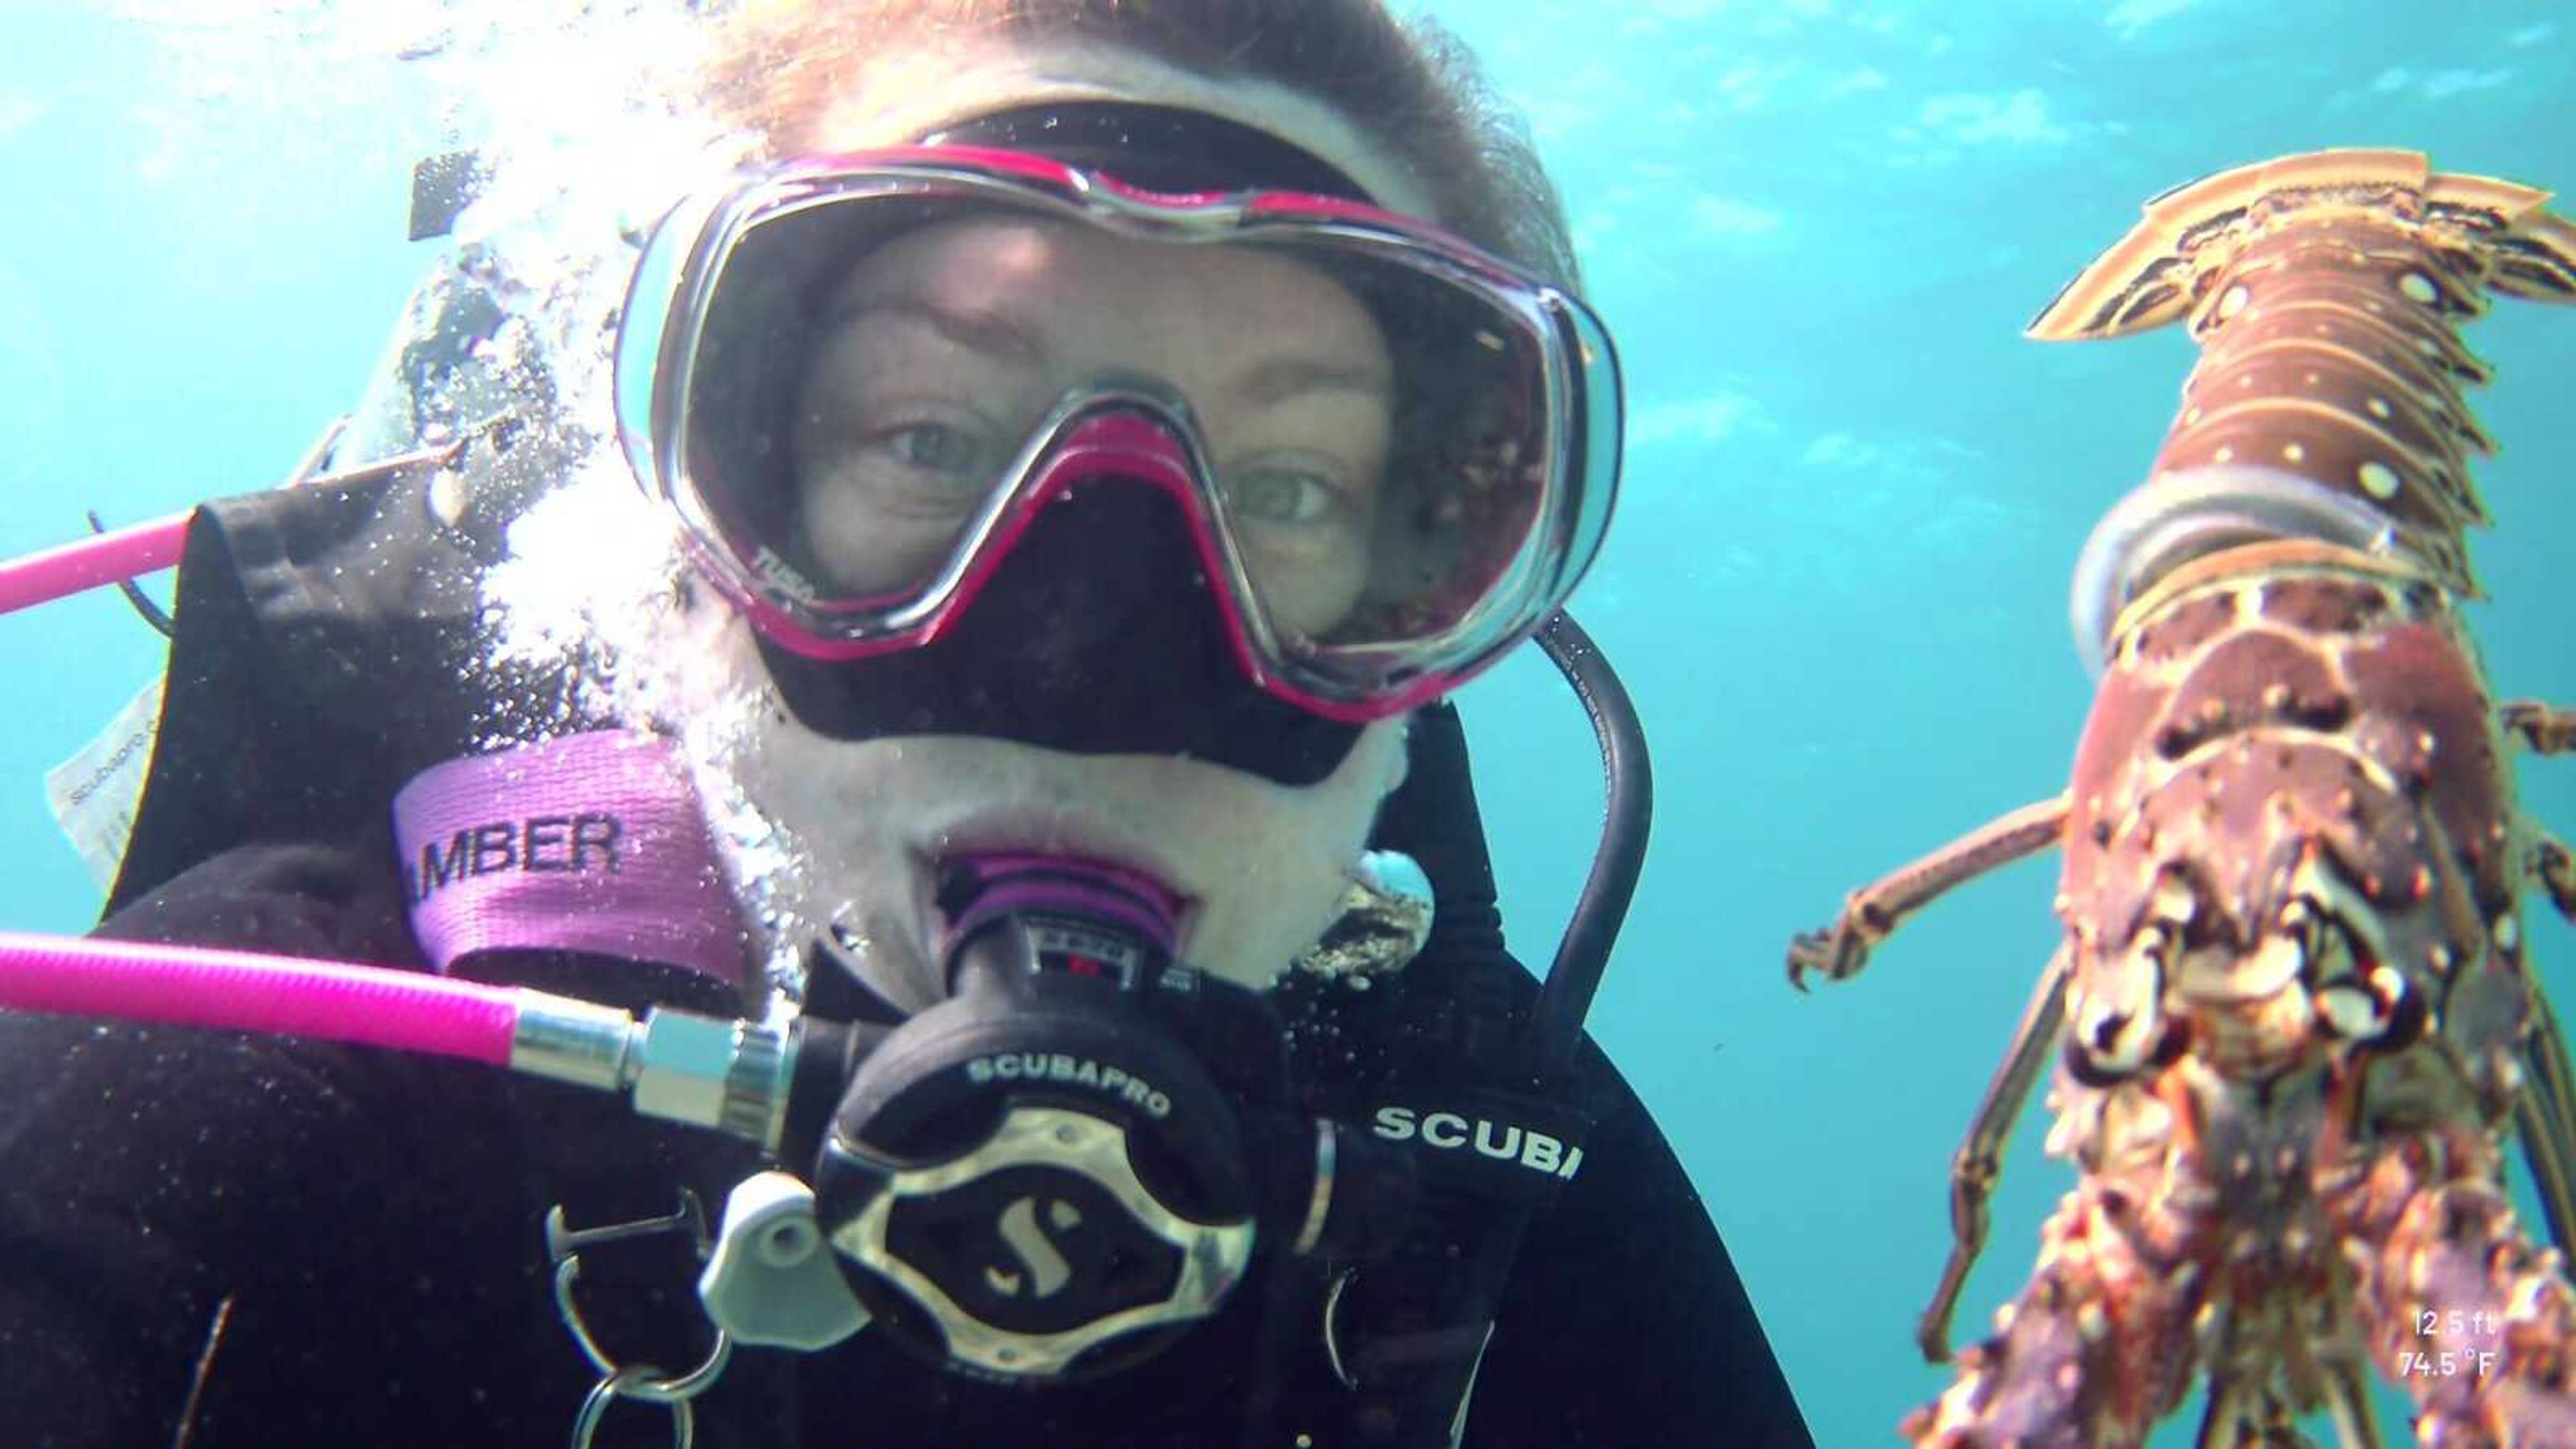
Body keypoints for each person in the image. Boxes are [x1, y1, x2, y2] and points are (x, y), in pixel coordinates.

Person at [0, 2, 1815, 1445]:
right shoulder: (325, 1040)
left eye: (1284, 494)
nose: (1090, 668)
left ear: (1427, 656)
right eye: (927, 442)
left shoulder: (1481, 1174)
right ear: (687, 559)